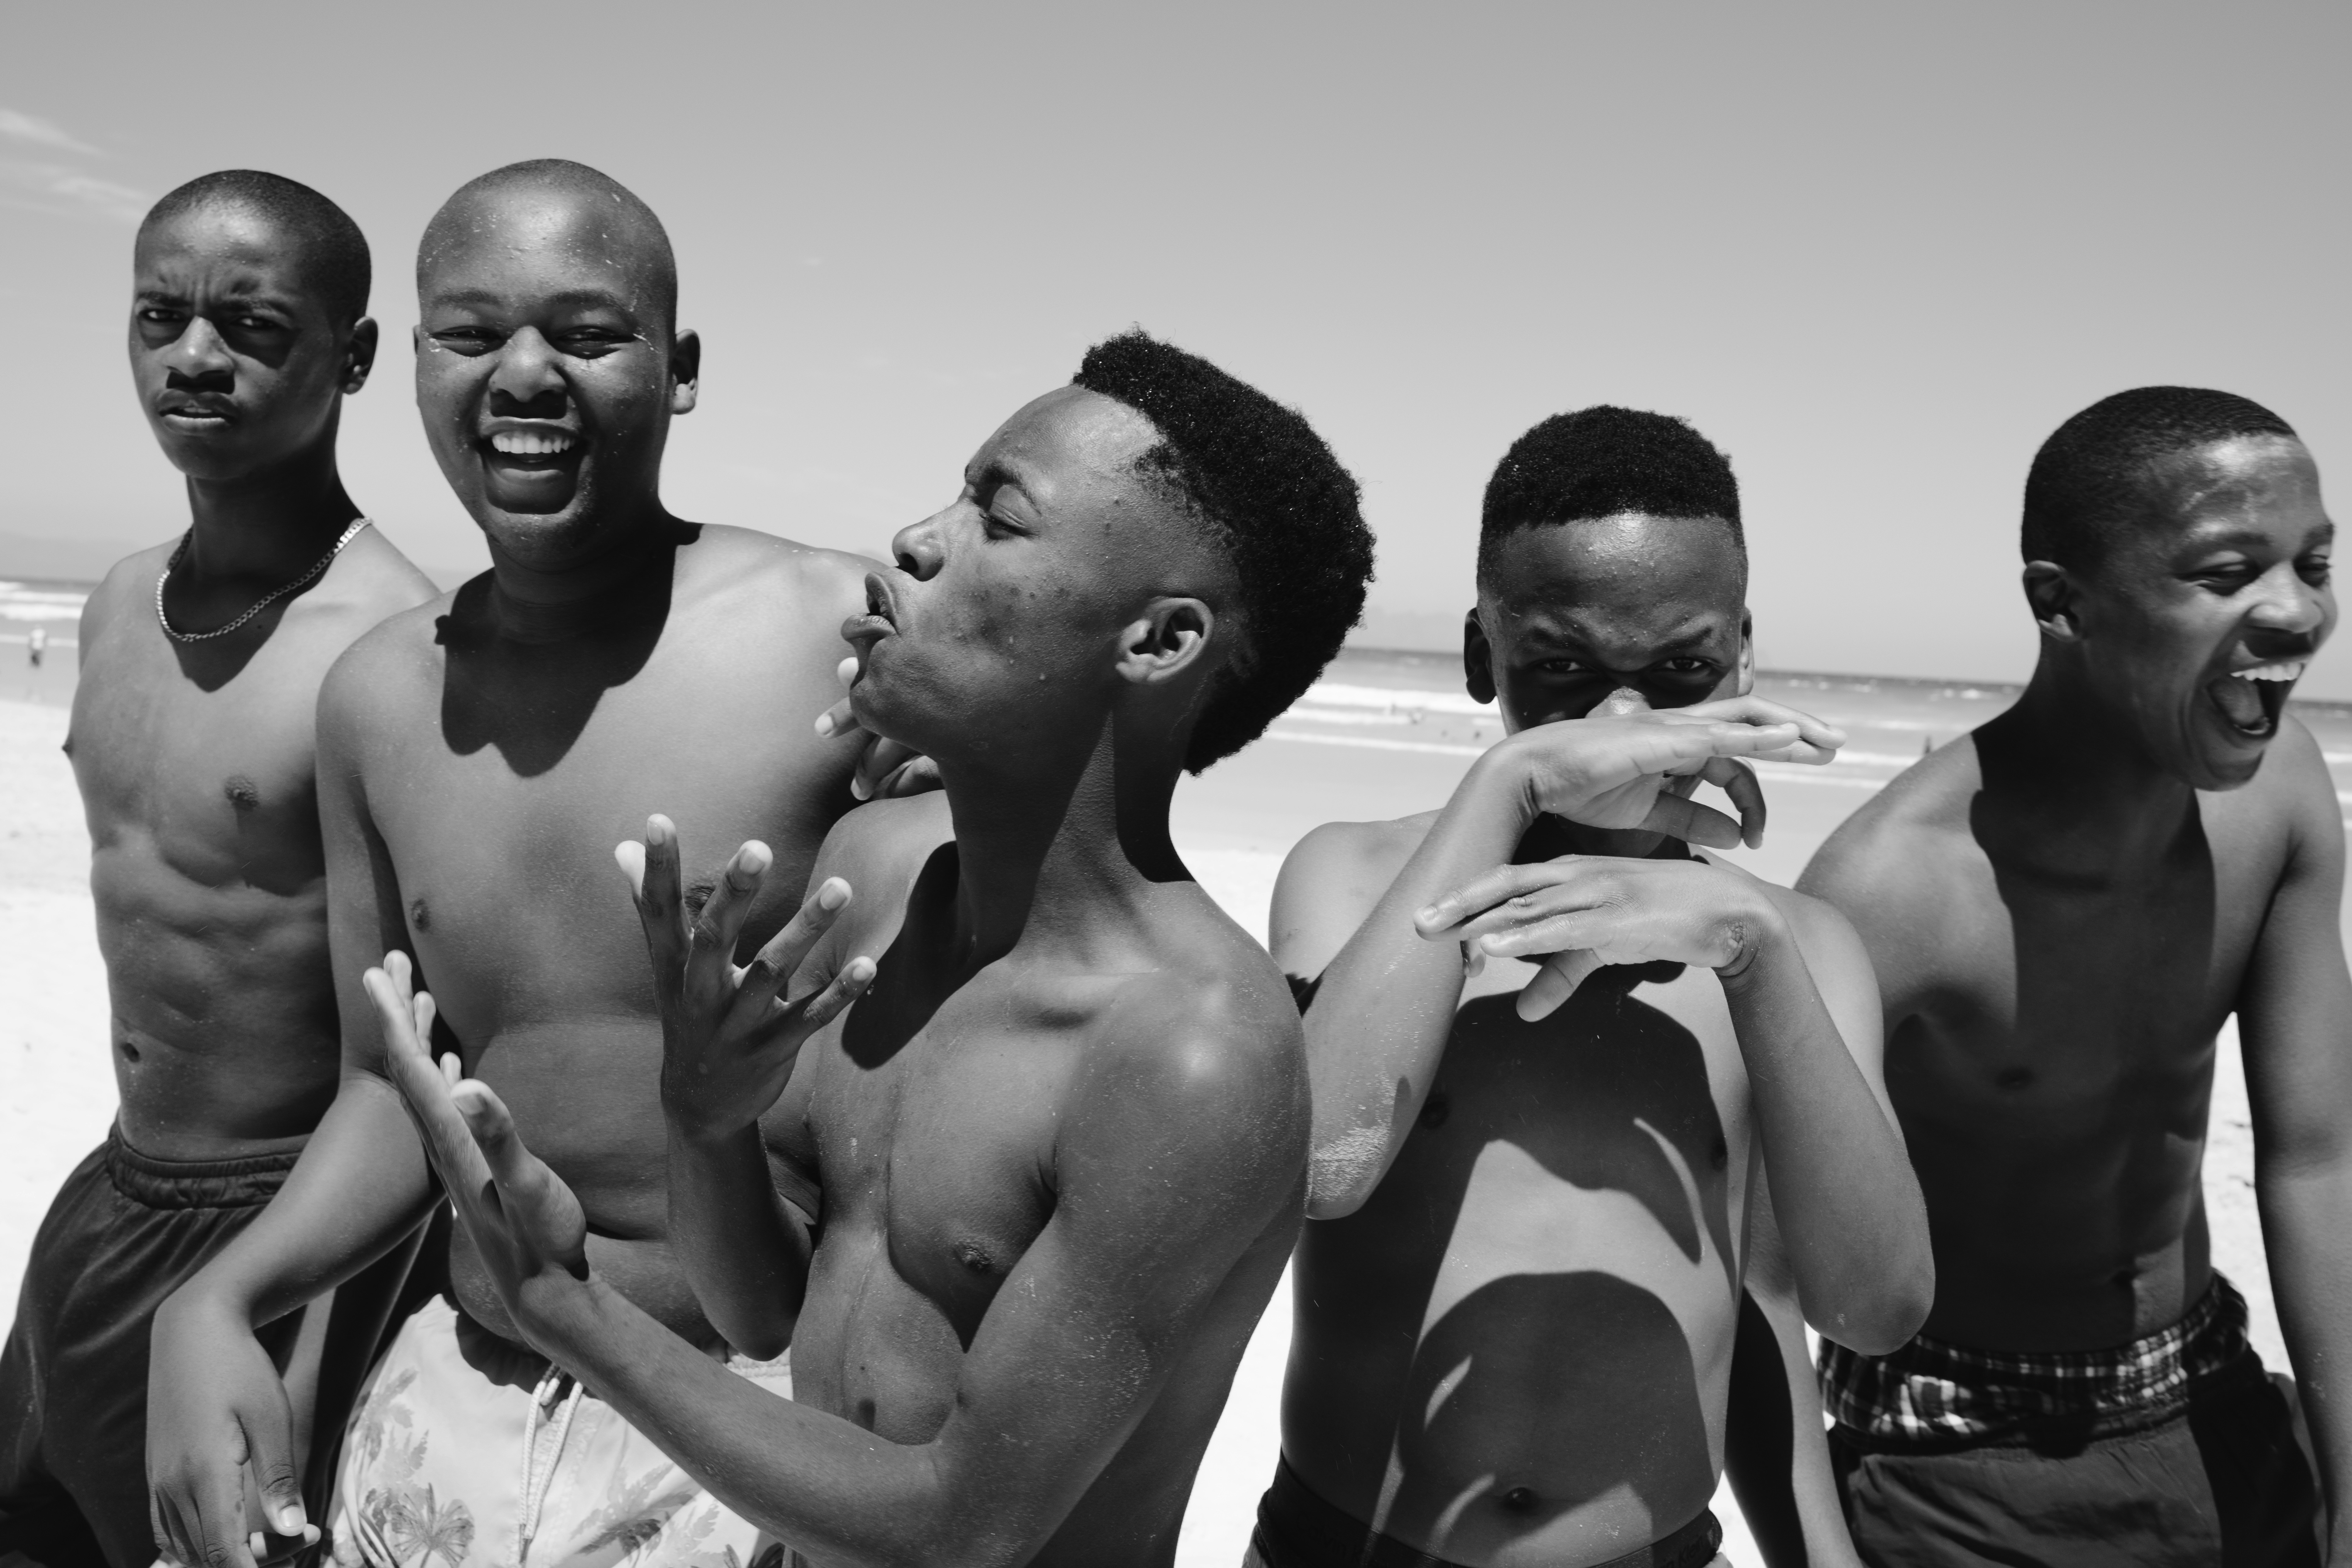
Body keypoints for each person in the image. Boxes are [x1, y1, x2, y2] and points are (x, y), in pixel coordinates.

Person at [358, 330, 1376, 1566]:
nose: (916, 537)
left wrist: (565, 1307)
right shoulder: (880, 881)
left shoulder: (1191, 1054)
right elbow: (766, 1306)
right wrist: (702, 1112)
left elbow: (964, 1519)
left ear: (1157, 643)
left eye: (999, 517)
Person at [143, 160, 920, 1568]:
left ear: (678, 371)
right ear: (415, 362)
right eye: (469, 331)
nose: (523, 373)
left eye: (585, 331)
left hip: (743, 1416)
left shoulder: (836, 633)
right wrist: (217, 1300)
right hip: (460, 1388)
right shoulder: (380, 700)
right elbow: (391, 1083)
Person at [1261, 406, 1934, 1568]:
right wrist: (1508, 789)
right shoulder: (1359, 876)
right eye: (1564, 670)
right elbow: (1321, 1162)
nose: (1624, 723)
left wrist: (1752, 956)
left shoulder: (1801, 945)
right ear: (1484, 654)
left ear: (1742, 653)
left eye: (1680, 670)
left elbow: (1857, 1306)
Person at [1799, 387, 2350, 1564]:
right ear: (2063, 604)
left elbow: (2318, 1157)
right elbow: (1764, 1273)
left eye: (2315, 561)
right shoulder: (1892, 893)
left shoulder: (2285, 793)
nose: (2300, 612)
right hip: (1963, 1465)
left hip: (2217, 1402)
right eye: (2227, 572)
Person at [0, 170, 439, 1568]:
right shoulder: (121, 599)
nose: (195, 356)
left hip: (287, 1233)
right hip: (114, 1185)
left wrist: (301, 1346)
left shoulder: (398, 648)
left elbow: (422, 1045)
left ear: (353, 355)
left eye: (251, 326)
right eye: (160, 317)